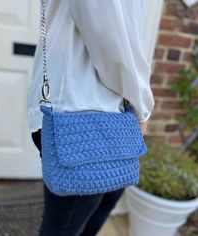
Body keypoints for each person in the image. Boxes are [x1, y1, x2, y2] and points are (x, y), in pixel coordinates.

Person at [27, 0, 155, 235]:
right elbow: (114, 44)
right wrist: (142, 106)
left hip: (91, 108)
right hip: (79, 105)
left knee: (87, 217)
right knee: (64, 227)